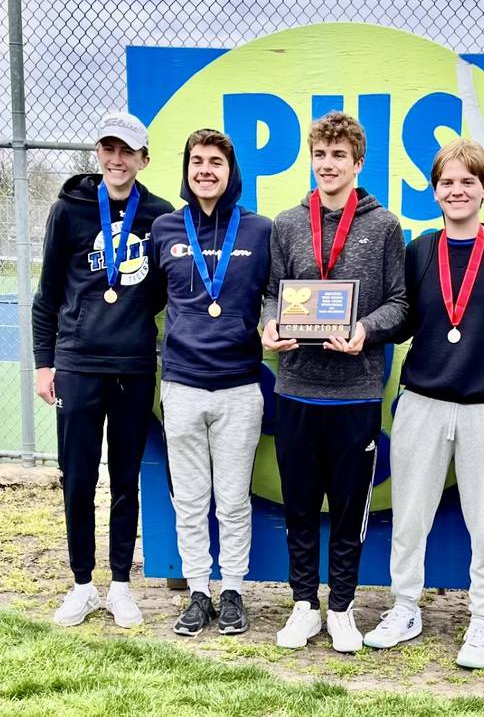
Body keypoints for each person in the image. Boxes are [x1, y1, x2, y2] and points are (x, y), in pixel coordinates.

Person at [362, 139, 484, 668]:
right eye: (446, 182)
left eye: (467, 181)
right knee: (411, 514)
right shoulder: (418, 249)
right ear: (434, 191)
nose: (456, 190)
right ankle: (406, 607)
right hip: (423, 401)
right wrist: (350, 326)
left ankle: (483, 619)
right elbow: (404, 320)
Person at [262, 111, 406, 653]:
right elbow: (272, 292)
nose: (328, 164)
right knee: (300, 505)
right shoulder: (287, 223)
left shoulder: (384, 226)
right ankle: (303, 605)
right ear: (311, 158)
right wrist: (270, 324)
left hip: (357, 393)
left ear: (358, 162)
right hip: (296, 388)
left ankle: (341, 607)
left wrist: (365, 331)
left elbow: (401, 304)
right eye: (320, 155)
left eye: (339, 156)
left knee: (349, 510)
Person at [32, 112, 173, 628]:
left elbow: (164, 289)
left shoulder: (159, 216)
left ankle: (119, 585)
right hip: (77, 364)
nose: (117, 159)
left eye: (127, 151)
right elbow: (47, 294)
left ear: (143, 159)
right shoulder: (68, 211)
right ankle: (82, 584)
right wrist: (44, 363)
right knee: (78, 478)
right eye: (109, 149)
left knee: (126, 478)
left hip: (134, 366)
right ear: (99, 154)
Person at [151, 129, 271, 637]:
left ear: (231, 170)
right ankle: (199, 589)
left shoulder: (259, 230)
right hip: (180, 385)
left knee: (234, 498)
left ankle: (234, 592)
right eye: (196, 161)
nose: (205, 170)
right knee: (191, 499)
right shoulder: (163, 228)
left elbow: (277, 295)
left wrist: (271, 321)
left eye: (215, 162)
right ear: (186, 169)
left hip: (240, 386)